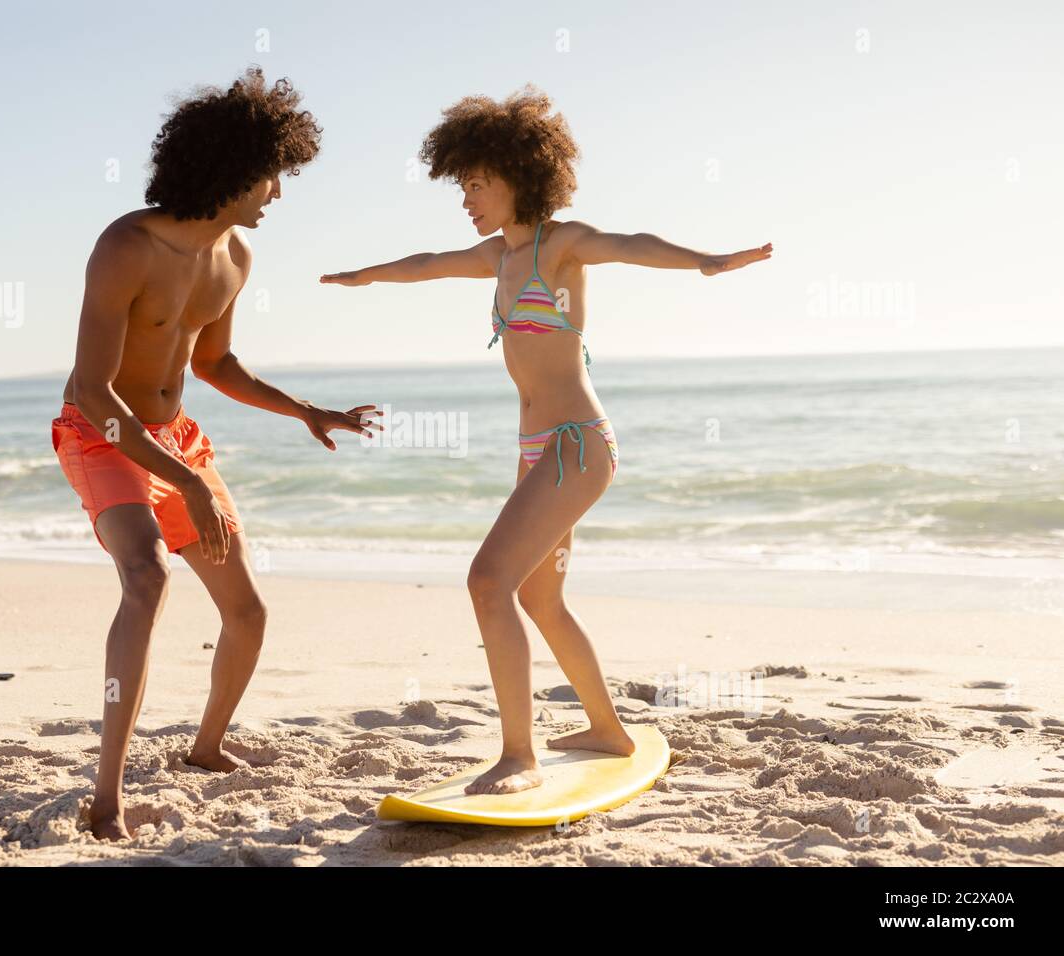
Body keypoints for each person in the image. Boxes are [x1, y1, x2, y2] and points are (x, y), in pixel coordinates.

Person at [321, 87, 770, 795]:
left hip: (576, 444)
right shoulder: (497, 257)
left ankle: (519, 755)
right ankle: (607, 729)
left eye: (477, 183)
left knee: (487, 581)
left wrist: (705, 260)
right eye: (462, 184)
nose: (467, 197)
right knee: (540, 599)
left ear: (517, 175)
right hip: (537, 452)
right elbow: (429, 261)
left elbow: (629, 245)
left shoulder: (562, 246)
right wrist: (363, 276)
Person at [52, 67, 380, 840]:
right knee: (147, 576)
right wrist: (186, 487)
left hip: (173, 440)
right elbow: (96, 392)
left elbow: (214, 366)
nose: (278, 193)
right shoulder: (125, 246)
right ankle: (107, 797)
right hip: (102, 433)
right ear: (232, 169)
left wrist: (306, 410)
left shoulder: (235, 258)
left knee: (248, 611)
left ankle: (205, 749)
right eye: (272, 176)